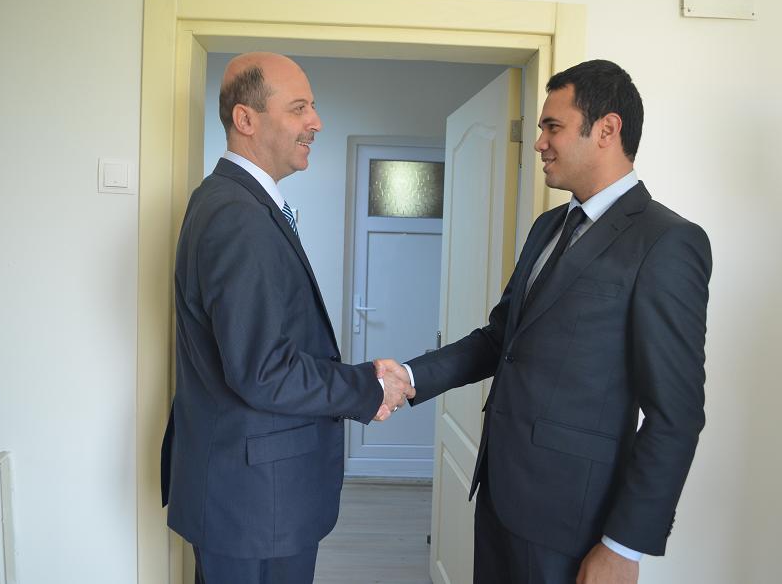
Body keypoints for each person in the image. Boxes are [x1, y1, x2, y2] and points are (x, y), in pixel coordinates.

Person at [377, 59, 711, 584]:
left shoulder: (667, 242)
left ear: (607, 129)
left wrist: (623, 547)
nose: (539, 143)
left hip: (574, 523)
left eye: (552, 127)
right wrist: (410, 377)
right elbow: (500, 339)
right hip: (499, 495)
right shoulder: (548, 226)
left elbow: (677, 415)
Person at [160, 52, 414, 584]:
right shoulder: (237, 215)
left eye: (313, 107)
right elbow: (263, 371)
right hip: (254, 503)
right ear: (246, 119)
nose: (315, 122)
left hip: (253, 495)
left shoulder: (239, 202)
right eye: (299, 108)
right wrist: (366, 387)